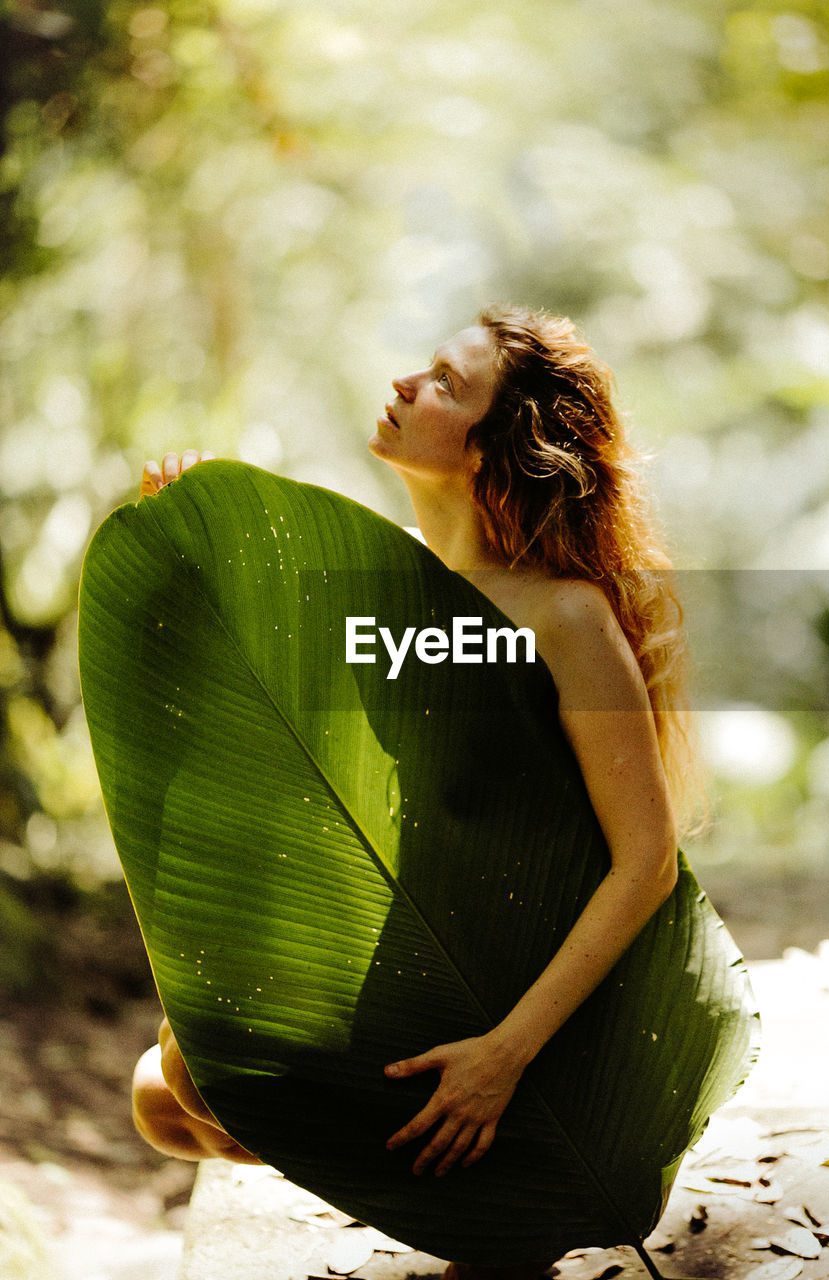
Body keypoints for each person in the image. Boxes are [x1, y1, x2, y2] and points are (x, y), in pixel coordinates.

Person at [132, 304, 697, 1278]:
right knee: (162, 1092)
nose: (406, 384)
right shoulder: (379, 579)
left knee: (186, 1079)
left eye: (446, 383)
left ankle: (485, 1179)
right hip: (415, 954)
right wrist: (191, 522)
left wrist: (503, 1055)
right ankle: (430, 1180)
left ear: (493, 449)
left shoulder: (564, 616)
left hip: (520, 998)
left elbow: (646, 861)